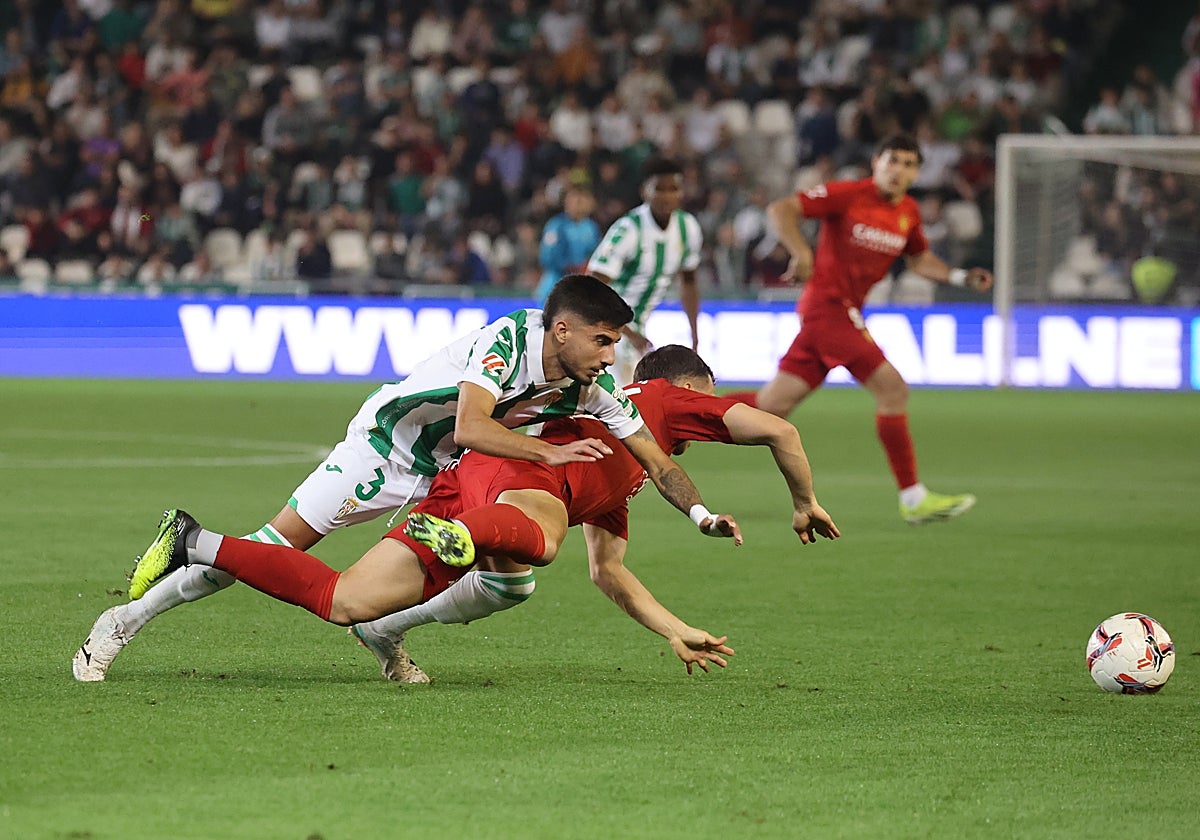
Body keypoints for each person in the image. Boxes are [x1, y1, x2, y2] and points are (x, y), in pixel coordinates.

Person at [74, 276, 737, 681]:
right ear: (563, 329)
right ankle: (127, 619)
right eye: (603, 340)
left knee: (510, 580)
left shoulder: (587, 385)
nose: (612, 356)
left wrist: (703, 515)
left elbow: (658, 460)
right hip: (388, 451)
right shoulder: (507, 339)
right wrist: (546, 458)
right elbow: (476, 426)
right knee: (277, 547)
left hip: (450, 473)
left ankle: (388, 634)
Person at [120, 346, 836, 680]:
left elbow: (610, 572)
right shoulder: (663, 398)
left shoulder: (622, 479)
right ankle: (459, 539)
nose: (707, 410)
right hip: (513, 477)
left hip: (470, 482)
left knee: (350, 599)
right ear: (687, 387)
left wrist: (679, 631)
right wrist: (803, 502)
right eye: (704, 397)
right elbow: (781, 428)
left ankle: (200, 541)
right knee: (541, 545)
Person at [728, 133, 994, 526]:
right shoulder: (849, 194)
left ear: (917, 171)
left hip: (843, 313)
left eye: (907, 164)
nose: (898, 169)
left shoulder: (908, 212)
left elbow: (919, 260)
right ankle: (913, 497)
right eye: (892, 160)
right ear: (876, 162)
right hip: (828, 309)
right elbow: (781, 209)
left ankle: (673, 412)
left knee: (772, 406)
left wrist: (958, 275)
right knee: (893, 389)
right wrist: (802, 252)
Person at [587, 157, 704, 385]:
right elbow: (593, 285)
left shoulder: (688, 227)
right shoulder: (629, 228)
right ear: (645, 191)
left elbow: (689, 283)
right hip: (609, 325)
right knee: (625, 403)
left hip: (636, 328)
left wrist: (695, 335)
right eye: (660, 189)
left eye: (674, 189)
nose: (667, 195)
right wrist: (626, 331)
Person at [534, 184, 601, 303]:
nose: (578, 204)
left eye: (582, 200)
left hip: (580, 286)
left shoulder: (591, 227)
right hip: (555, 284)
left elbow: (596, 254)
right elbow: (547, 257)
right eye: (574, 200)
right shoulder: (556, 225)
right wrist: (569, 267)